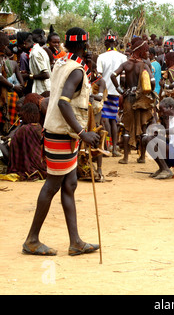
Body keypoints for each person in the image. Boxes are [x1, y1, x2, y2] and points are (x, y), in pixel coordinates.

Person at [22, 27, 100, 256]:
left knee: (70, 183)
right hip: (62, 133)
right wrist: (82, 132)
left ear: (66, 43)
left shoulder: (61, 62)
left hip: (62, 132)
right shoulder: (76, 70)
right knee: (53, 185)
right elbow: (63, 103)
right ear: (84, 47)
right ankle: (32, 240)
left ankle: (75, 241)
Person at [111, 37, 156, 165]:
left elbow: (113, 75)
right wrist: (148, 91)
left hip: (128, 97)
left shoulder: (126, 64)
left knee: (126, 127)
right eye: (145, 50)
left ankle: (125, 158)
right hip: (141, 99)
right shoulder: (144, 65)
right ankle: (142, 156)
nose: (147, 53)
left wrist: (120, 90)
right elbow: (152, 82)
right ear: (140, 50)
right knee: (142, 127)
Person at [142, 97, 174, 179]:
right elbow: (173, 140)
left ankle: (165, 169)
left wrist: (159, 131)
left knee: (148, 139)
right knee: (147, 139)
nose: (161, 113)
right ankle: (163, 168)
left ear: (170, 107)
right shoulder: (173, 119)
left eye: (163, 110)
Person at [97, 34, 127, 157]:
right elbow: (124, 78)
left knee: (104, 119)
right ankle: (114, 148)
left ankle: (107, 147)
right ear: (115, 43)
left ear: (105, 44)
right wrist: (121, 90)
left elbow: (99, 77)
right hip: (116, 92)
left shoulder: (101, 57)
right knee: (113, 119)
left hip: (103, 92)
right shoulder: (123, 57)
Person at [7, 102, 47, 180]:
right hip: (42, 163)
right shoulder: (39, 126)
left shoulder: (24, 129)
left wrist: (11, 142)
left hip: (30, 166)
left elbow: (11, 144)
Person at [29, 29, 51, 97]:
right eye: (45, 36)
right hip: (44, 89)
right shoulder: (38, 51)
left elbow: (46, 75)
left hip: (43, 90)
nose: (45, 38)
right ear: (41, 36)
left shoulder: (36, 52)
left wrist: (31, 76)